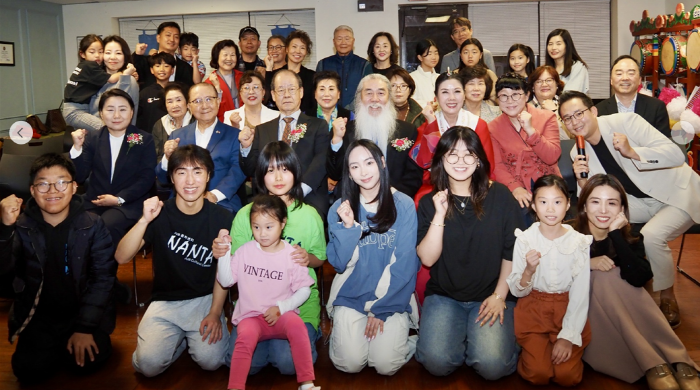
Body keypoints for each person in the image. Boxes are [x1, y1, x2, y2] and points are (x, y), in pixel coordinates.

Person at [561, 90, 700, 329]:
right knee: (602, 217)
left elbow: (676, 154)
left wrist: (633, 152)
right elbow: (594, 200)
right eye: (567, 118)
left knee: (652, 235)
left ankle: (667, 296)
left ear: (593, 111)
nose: (575, 122)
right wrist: (583, 181)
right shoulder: (578, 152)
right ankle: (625, 275)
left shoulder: (627, 122)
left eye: (579, 114)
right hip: (637, 203)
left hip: (677, 193)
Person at [415, 127, 522, 380]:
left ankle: (478, 340)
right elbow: (428, 259)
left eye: (468, 155)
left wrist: (499, 296)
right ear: (441, 159)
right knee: (436, 363)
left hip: (491, 295)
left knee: (493, 366)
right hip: (445, 296)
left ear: (478, 160)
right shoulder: (431, 201)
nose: (461, 162)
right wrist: (440, 214)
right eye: (452, 155)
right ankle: (463, 338)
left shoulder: (501, 196)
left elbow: (512, 252)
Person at [574, 174, 700, 390]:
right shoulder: (569, 234)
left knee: (619, 275)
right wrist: (587, 264)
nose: (603, 210)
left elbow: (639, 279)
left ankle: (675, 360)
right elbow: (553, 272)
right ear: (584, 206)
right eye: (595, 201)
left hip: (625, 309)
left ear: (622, 209)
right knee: (605, 276)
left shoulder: (628, 237)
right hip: (585, 315)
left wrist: (616, 235)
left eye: (612, 203)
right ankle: (653, 362)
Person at [115, 145, 232, 376]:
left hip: (205, 300)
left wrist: (215, 312)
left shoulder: (223, 217)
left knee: (212, 362)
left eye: (197, 171)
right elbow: (121, 256)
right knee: (147, 366)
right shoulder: (159, 213)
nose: (190, 180)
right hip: (165, 302)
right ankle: (177, 343)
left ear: (208, 176)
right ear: (171, 177)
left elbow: (224, 273)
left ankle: (185, 340)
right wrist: (143, 221)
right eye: (181, 172)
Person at [0, 153, 116, 383]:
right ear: (32, 190)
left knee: (86, 364)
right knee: (28, 371)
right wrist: (5, 229)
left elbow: (103, 278)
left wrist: (84, 327)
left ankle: (80, 338)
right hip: (39, 316)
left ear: (74, 187)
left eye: (62, 182)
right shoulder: (21, 225)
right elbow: (3, 275)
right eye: (43, 184)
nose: (53, 190)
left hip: (82, 313)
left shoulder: (93, 224)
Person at [215, 142, 326, 377]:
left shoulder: (309, 214)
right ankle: (266, 346)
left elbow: (320, 260)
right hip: (253, 309)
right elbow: (230, 269)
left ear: (295, 173)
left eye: (284, 169)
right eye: (270, 170)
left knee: (288, 364)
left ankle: (298, 338)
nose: (278, 177)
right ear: (260, 175)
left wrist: (308, 258)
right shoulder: (246, 215)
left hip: (296, 309)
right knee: (247, 365)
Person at [326, 139, 419, 375]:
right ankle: (346, 335)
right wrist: (348, 228)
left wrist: (382, 309)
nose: (363, 171)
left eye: (369, 162)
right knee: (349, 364)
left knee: (385, 365)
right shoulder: (340, 207)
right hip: (351, 294)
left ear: (382, 163)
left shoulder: (404, 205)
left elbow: (406, 263)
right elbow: (338, 264)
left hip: (392, 297)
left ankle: (409, 338)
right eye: (355, 166)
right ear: (348, 171)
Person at [215, 195, 320, 390]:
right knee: (243, 340)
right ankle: (235, 386)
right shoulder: (245, 251)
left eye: (269, 227)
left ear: (282, 223)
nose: (262, 233)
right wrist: (223, 254)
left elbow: (304, 289)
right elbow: (226, 280)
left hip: (280, 316)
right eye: (256, 227)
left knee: (298, 326)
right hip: (252, 317)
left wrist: (281, 307)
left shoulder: (291, 254)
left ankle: (306, 383)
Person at [507, 175, 592, 386]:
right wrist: (529, 270)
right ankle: (531, 353)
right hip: (533, 309)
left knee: (567, 377)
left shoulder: (579, 242)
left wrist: (567, 336)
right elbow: (518, 292)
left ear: (568, 204)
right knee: (538, 374)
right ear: (534, 205)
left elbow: (580, 293)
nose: (551, 209)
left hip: (567, 309)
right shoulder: (525, 239)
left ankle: (563, 348)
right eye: (543, 202)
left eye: (557, 202)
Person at [70, 89, 156, 255]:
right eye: (110, 110)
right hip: (95, 201)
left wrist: (119, 199)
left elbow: (147, 178)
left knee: (106, 225)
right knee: (73, 220)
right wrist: (77, 148)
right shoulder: (93, 138)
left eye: (123, 109)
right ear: (101, 113)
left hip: (129, 203)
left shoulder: (142, 139)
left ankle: (105, 276)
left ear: (132, 112)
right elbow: (79, 176)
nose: (116, 115)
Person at [239, 70, 330, 218]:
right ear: (273, 95)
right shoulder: (262, 130)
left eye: (291, 89)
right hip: (269, 200)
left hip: (307, 197)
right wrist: (246, 147)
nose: (286, 94)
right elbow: (251, 169)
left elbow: (320, 162)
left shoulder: (318, 125)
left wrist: (298, 191)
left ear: (301, 92)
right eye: (281, 90)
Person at [327, 74, 423, 199]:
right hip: (353, 201)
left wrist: (395, 197)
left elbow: (414, 176)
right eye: (369, 93)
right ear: (359, 97)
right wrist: (337, 140)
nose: (375, 99)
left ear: (389, 97)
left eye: (381, 93)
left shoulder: (407, 131)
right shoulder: (345, 130)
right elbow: (335, 174)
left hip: (395, 200)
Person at [157, 83, 246, 213]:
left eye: (209, 99)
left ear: (218, 101)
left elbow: (238, 170)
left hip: (221, 203)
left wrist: (214, 195)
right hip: (181, 203)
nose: (204, 106)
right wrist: (167, 158)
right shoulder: (177, 136)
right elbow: (163, 179)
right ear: (189, 106)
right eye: (197, 101)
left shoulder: (234, 135)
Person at [489, 73, 561, 224]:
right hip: (515, 184)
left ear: (527, 95)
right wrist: (515, 188)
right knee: (517, 214)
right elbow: (498, 165)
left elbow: (552, 156)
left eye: (516, 95)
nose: (510, 101)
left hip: (548, 181)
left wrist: (531, 131)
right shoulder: (493, 128)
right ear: (497, 99)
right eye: (504, 96)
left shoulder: (547, 117)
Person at [410, 72, 494, 196]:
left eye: (457, 91)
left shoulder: (478, 124)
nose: (452, 98)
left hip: (472, 185)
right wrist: (432, 123)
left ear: (464, 95)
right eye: (445, 92)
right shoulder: (428, 125)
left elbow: (487, 165)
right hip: (437, 186)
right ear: (436, 97)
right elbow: (424, 162)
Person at [63, 34, 135, 132]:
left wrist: (126, 77)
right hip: (75, 111)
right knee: (106, 128)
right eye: (107, 52)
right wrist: (124, 73)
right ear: (82, 54)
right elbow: (112, 79)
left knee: (108, 129)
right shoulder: (90, 67)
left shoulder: (95, 74)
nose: (97, 55)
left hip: (77, 111)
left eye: (100, 52)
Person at [595, 55, 671, 138]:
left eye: (631, 73)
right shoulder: (599, 111)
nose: (625, 78)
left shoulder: (656, 107)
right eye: (619, 74)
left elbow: (664, 145)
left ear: (639, 80)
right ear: (611, 80)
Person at [87, 35, 140, 130]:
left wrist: (124, 77)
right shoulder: (94, 79)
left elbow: (123, 116)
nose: (113, 57)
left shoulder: (129, 80)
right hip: (92, 137)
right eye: (108, 53)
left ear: (125, 56)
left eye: (118, 53)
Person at [316, 25, 372, 109]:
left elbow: (368, 91)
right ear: (334, 42)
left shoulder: (364, 64)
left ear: (353, 41)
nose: (343, 42)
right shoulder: (323, 64)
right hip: (328, 112)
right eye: (339, 39)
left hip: (356, 114)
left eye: (347, 39)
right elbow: (318, 90)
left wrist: (350, 108)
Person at [265, 30, 316, 114]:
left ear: (306, 52)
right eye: (294, 46)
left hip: (305, 123)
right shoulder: (275, 74)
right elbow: (268, 98)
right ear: (287, 49)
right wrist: (269, 69)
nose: (298, 51)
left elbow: (313, 105)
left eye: (302, 48)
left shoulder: (312, 76)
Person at [132, 21, 193, 89]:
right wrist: (137, 55)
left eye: (176, 37)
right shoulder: (146, 62)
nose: (172, 39)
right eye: (168, 35)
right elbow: (131, 75)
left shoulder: (186, 68)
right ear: (158, 38)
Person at [527, 65, 571, 140]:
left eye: (549, 80)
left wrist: (554, 112)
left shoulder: (568, 106)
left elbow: (570, 137)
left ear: (557, 84)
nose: (544, 84)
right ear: (533, 87)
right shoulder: (526, 109)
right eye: (539, 81)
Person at [153, 82, 193, 161]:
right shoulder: (159, 124)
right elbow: (156, 155)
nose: (175, 105)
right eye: (170, 101)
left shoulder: (196, 121)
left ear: (187, 102)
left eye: (178, 100)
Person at [136, 52, 175, 133]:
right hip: (150, 138)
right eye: (157, 66)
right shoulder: (144, 93)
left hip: (173, 136)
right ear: (152, 70)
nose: (162, 69)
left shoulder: (177, 91)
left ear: (172, 70)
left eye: (166, 66)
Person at [206, 40, 243, 123]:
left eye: (232, 55)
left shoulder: (243, 77)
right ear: (217, 57)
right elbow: (211, 110)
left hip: (243, 123)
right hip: (222, 126)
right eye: (225, 55)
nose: (229, 59)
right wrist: (217, 89)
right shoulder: (208, 83)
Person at [545, 29, 589, 94]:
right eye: (550, 44)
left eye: (558, 44)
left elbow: (570, 95)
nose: (553, 47)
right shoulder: (546, 69)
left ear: (567, 46)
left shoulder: (577, 67)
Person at [456, 38, 497, 104]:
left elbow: (494, 98)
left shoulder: (489, 74)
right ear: (460, 55)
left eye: (474, 52)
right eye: (466, 52)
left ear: (480, 55)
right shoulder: (455, 74)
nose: (470, 56)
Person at [410, 39, 439, 108]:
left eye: (436, 53)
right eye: (429, 54)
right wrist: (426, 105)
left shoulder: (440, 78)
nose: (434, 57)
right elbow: (410, 102)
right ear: (420, 57)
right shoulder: (412, 78)